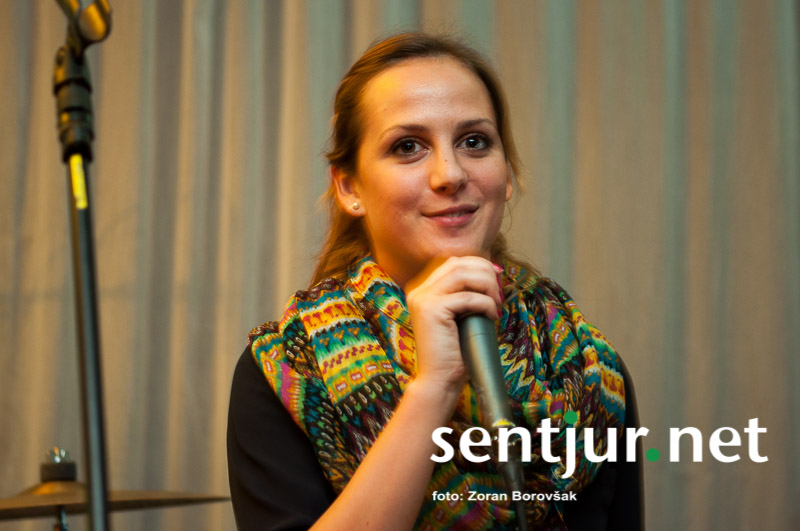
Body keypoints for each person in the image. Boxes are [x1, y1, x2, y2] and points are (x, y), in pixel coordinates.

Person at [227, 32, 643, 530]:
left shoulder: (591, 370)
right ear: (350, 186)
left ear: (507, 173)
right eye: (408, 147)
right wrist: (434, 389)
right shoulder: (289, 372)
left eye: (474, 142)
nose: (450, 173)